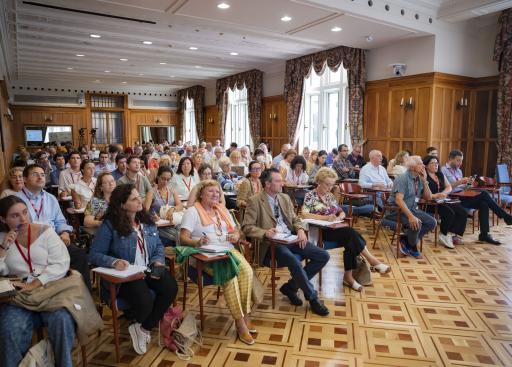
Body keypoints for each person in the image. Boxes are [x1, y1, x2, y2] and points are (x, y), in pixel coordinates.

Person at [89, 184, 178, 355]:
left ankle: (143, 328)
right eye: (134, 199)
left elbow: (158, 246)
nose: (140, 201)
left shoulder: (147, 221)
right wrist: (114, 262)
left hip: (147, 269)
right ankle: (141, 323)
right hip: (125, 276)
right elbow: (94, 254)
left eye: (139, 197)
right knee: (144, 300)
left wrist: (158, 261)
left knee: (170, 287)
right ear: (122, 205)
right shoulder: (110, 226)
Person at [242, 168, 330, 316]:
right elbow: (246, 227)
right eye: (278, 181)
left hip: (290, 238)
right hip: (270, 244)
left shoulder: (284, 198)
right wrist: (265, 233)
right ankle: (313, 298)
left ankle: (291, 287)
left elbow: (295, 219)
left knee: (323, 255)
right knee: (292, 260)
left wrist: (301, 230)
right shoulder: (255, 201)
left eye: (281, 180)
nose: (282, 183)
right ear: (268, 184)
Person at [0, 196, 75, 367]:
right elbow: (2, 272)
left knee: (62, 321)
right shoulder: (2, 238)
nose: (23, 219)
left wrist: (37, 282)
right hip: (19, 296)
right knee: (8, 328)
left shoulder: (45, 232)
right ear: (3, 219)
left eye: (25, 212)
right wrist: (3, 248)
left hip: (50, 290)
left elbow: (61, 262)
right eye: (15, 215)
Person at [180, 180, 255, 345]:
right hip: (206, 256)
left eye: (217, 192)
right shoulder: (192, 212)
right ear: (201, 194)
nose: (215, 195)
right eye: (210, 192)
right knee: (230, 277)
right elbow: (183, 238)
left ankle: (245, 314)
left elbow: (236, 230)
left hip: (227, 251)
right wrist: (197, 242)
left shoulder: (223, 209)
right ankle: (240, 323)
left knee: (248, 272)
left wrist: (236, 235)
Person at [302, 168, 390, 291]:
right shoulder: (310, 195)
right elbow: (304, 214)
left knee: (350, 241)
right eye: (327, 184)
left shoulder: (330, 196)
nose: (329, 187)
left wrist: (341, 216)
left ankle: (349, 277)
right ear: (319, 182)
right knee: (350, 233)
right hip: (319, 231)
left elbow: (340, 211)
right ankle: (372, 262)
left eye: (332, 184)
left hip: (333, 228)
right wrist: (325, 218)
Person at [16, 164, 91, 289]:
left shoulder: (50, 198)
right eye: (35, 174)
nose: (40, 177)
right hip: (29, 243)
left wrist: (65, 232)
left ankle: (84, 299)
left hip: (54, 240)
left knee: (80, 256)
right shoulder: (16, 199)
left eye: (42, 174)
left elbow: (60, 221)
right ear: (24, 179)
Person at [441, 150, 512, 244]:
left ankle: (484, 234)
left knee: (484, 203)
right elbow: (445, 188)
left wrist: (468, 184)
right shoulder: (443, 170)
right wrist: (460, 181)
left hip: (463, 195)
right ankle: (505, 216)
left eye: (461, 160)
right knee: (484, 194)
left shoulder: (459, 171)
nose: (460, 163)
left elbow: (462, 188)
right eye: (458, 160)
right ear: (450, 159)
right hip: (452, 198)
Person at [387, 156, 437, 258]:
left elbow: (428, 197)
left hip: (412, 208)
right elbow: (398, 200)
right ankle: (412, 247)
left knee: (432, 222)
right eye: (420, 163)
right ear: (413, 167)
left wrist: (425, 182)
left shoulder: (419, 178)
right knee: (416, 223)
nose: (423, 165)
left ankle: (406, 241)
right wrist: (411, 217)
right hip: (395, 210)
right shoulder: (403, 178)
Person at [423, 155, 467, 248]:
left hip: (443, 200)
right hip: (431, 202)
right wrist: (436, 195)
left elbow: (449, 187)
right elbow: (424, 194)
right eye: (433, 163)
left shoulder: (440, 174)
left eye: (436, 163)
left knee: (462, 212)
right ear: (426, 165)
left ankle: (452, 234)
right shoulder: (424, 176)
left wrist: (443, 193)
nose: (436, 165)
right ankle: (443, 234)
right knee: (449, 212)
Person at [150, 166, 184, 245]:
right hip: (159, 225)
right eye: (163, 178)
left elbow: (180, 205)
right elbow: (144, 211)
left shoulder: (172, 191)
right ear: (158, 177)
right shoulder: (152, 192)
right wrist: (153, 217)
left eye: (168, 180)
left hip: (171, 223)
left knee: (183, 232)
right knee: (178, 236)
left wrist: (173, 209)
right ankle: (178, 254)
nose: (165, 182)